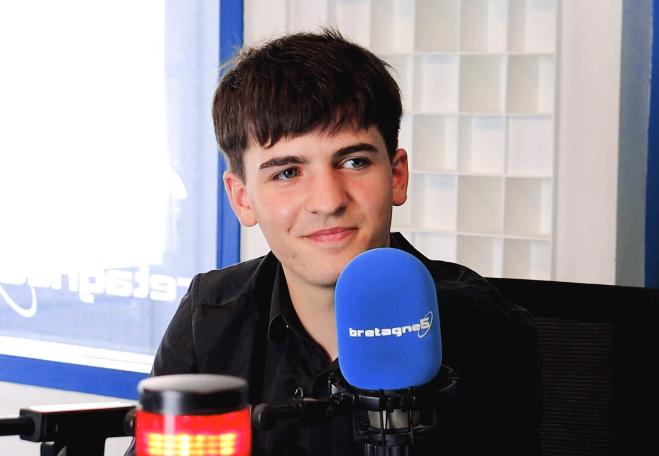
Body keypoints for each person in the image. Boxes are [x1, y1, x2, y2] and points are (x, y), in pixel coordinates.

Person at [127, 29, 541, 455]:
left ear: (397, 176)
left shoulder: (487, 331)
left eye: (354, 162)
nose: (327, 201)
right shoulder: (209, 318)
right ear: (242, 198)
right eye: (287, 172)